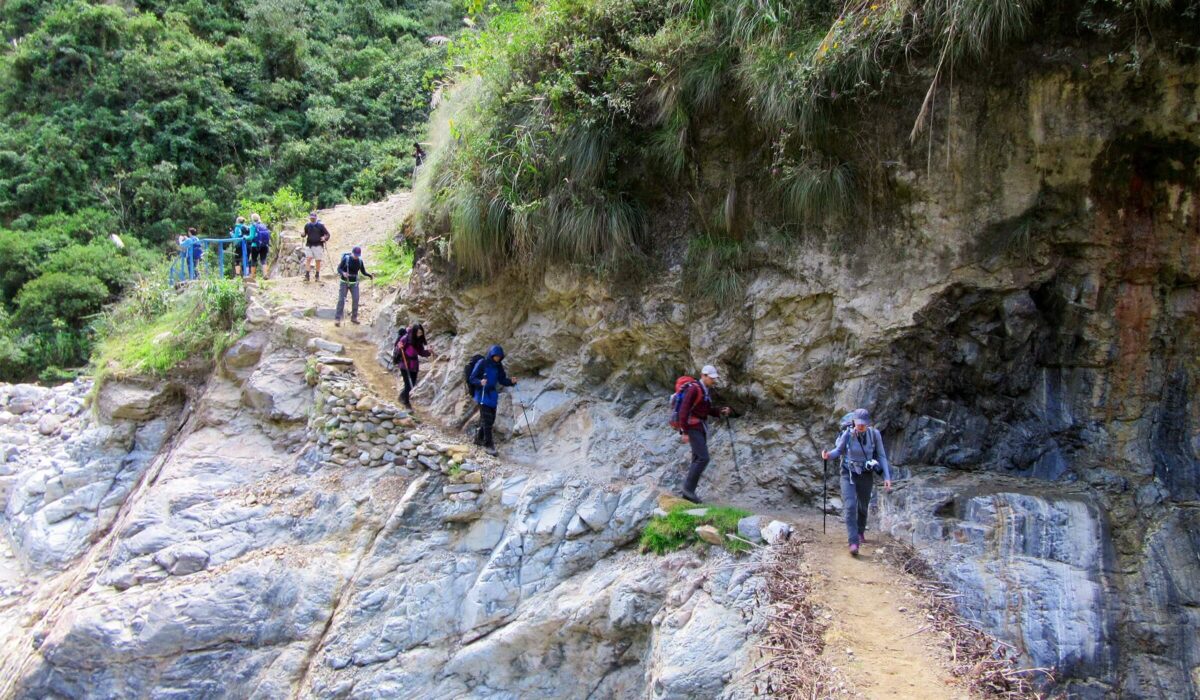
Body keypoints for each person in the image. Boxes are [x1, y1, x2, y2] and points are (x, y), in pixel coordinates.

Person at [822, 408, 892, 556]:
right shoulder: (847, 434)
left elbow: (881, 456)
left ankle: (860, 531)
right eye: (858, 423)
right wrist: (828, 455)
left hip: (866, 474)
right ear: (854, 422)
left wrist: (887, 477)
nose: (860, 426)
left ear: (868, 423)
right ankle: (853, 542)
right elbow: (838, 451)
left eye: (863, 424)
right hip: (848, 473)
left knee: (863, 505)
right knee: (850, 506)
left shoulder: (874, 435)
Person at [674, 365, 731, 504]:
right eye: (711, 378)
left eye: (714, 378)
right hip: (692, 427)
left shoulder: (705, 390)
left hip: (699, 427)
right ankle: (688, 490)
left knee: (697, 458)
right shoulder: (694, 389)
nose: (713, 380)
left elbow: (705, 410)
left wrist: (719, 412)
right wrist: (685, 431)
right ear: (703, 375)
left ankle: (688, 493)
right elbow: (684, 410)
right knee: (703, 458)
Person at [468, 345, 516, 455]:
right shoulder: (482, 363)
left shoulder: (498, 366)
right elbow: (472, 378)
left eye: (499, 356)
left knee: (491, 419)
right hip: (482, 393)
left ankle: (478, 439)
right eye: (496, 356)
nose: (497, 358)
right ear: (491, 354)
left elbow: (502, 380)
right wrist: (480, 382)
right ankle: (488, 445)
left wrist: (511, 382)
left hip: (492, 395)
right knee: (487, 419)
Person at [392, 323, 432, 409]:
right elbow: (397, 349)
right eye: (418, 332)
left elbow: (421, 352)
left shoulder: (418, 340)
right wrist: (399, 347)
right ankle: (406, 402)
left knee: (412, 384)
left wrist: (428, 352)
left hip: (414, 365)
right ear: (414, 332)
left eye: (421, 333)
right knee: (408, 384)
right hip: (404, 364)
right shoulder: (405, 338)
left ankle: (402, 396)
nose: (419, 334)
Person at [334, 246, 374, 327]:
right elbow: (339, 269)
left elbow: (363, 271)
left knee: (356, 299)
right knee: (341, 300)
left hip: (354, 283)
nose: (356, 257)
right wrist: (343, 273)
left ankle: (354, 317)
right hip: (344, 282)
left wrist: (369, 275)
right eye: (355, 255)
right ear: (352, 253)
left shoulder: (359, 261)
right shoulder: (346, 259)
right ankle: (337, 318)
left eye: (357, 255)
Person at [302, 211, 330, 283]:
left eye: (313, 218)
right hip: (309, 245)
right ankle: (307, 276)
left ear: (316, 218)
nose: (312, 219)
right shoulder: (307, 225)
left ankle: (317, 275)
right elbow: (305, 234)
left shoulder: (321, 226)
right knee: (308, 258)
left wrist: (324, 238)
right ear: (310, 218)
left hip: (318, 245)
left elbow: (327, 234)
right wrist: (302, 234)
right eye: (311, 218)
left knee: (318, 261)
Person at [247, 213, 272, 281]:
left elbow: (251, 237)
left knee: (253, 260)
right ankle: (265, 274)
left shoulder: (253, 226)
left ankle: (252, 276)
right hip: (264, 245)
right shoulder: (263, 225)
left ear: (252, 219)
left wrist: (245, 237)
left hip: (255, 245)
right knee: (263, 259)